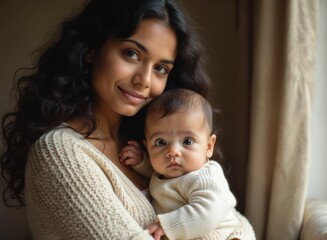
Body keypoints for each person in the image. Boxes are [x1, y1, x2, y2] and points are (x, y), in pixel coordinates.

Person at [0, 0, 255, 239]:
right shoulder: (59, 154)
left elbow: (229, 215)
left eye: (161, 68)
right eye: (132, 54)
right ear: (91, 49)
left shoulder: (153, 144)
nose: (144, 80)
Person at [119, 89, 245, 240]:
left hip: (216, 235)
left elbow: (209, 211)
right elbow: (160, 177)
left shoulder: (205, 176)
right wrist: (142, 162)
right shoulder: (168, 173)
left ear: (209, 146)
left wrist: (167, 226)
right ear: (147, 147)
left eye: (187, 141)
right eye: (160, 142)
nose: (173, 151)